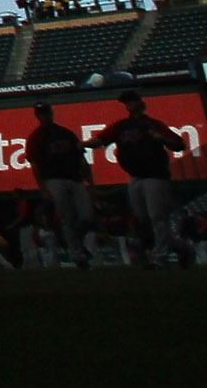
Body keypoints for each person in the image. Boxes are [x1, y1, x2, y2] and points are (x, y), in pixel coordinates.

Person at [104, 92, 185, 264]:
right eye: (126, 102)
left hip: (155, 175)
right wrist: (80, 145)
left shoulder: (153, 124)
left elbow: (179, 144)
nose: (128, 104)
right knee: (142, 218)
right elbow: (100, 139)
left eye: (131, 101)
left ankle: (160, 258)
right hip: (135, 176)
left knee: (157, 216)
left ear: (140, 103)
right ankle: (179, 247)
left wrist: (161, 138)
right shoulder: (122, 126)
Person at [26, 103, 98, 266]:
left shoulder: (65, 133)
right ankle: (78, 255)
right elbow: (35, 165)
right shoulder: (36, 137)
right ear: (37, 116)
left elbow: (82, 159)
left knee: (87, 216)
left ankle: (75, 245)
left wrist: (91, 183)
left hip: (75, 178)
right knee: (67, 219)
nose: (44, 116)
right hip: (53, 180)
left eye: (46, 112)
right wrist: (43, 189)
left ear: (51, 113)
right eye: (41, 113)